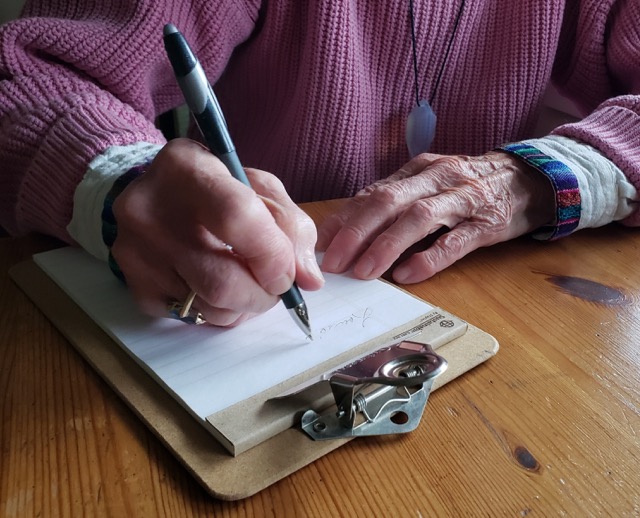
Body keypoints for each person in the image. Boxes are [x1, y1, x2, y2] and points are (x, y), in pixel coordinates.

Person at [0, 1, 638, 327]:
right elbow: (27, 80)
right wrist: (117, 179)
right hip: (238, 276)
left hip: (502, 303)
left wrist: (546, 175)